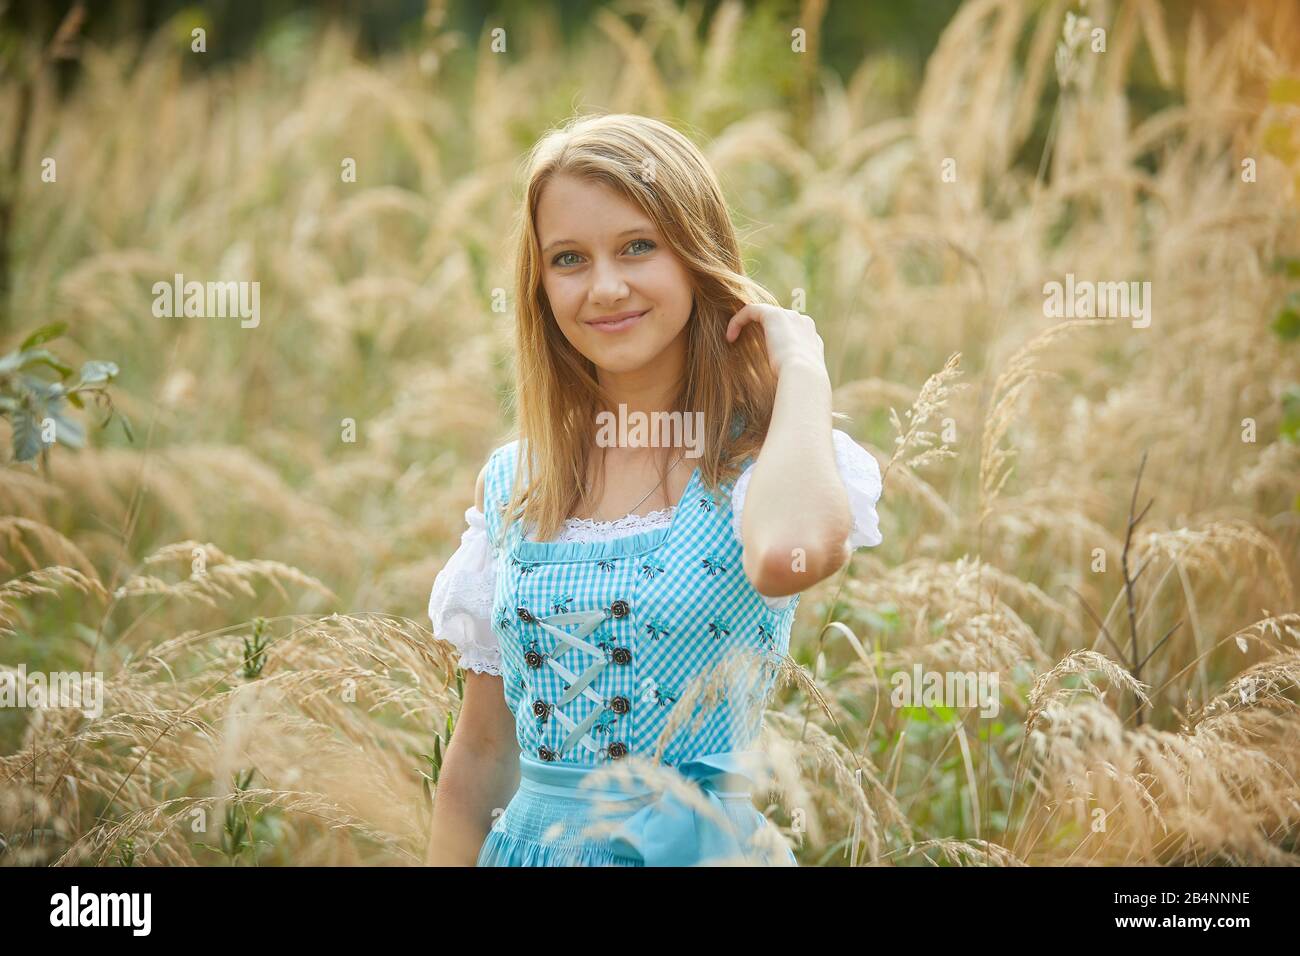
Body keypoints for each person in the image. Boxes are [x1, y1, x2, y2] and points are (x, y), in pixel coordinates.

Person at [425, 113, 883, 866]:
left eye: (638, 246)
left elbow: (791, 554)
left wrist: (802, 364)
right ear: (539, 286)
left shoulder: (761, 461)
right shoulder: (517, 485)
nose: (606, 287)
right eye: (569, 259)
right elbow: (478, 761)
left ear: (695, 255)